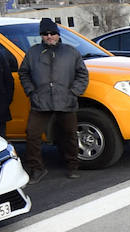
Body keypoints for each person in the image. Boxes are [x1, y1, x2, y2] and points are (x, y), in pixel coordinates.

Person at [18, 18, 88, 182]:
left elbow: (82, 74)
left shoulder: (71, 52)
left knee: (70, 135)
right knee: (32, 134)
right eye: (45, 34)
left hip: (66, 101)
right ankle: (37, 168)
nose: (49, 36)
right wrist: (31, 91)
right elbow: (24, 73)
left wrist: (74, 92)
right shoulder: (33, 52)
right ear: (41, 36)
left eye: (52, 33)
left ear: (58, 34)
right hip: (40, 102)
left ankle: (72, 166)